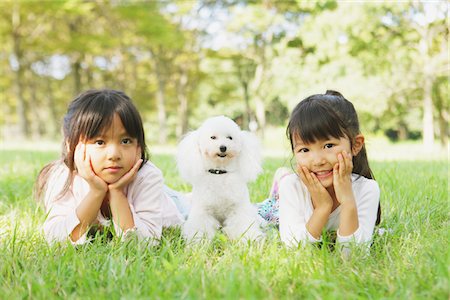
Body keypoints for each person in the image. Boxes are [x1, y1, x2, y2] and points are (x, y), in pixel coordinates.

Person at [35, 89, 188, 245]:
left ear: (139, 147)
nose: (114, 154)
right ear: (71, 146)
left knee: (195, 204)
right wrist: (96, 192)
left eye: (126, 141)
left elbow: (147, 243)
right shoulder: (63, 176)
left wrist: (117, 193)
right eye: (100, 142)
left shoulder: (147, 176)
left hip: (171, 203)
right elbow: (55, 239)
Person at [258, 90, 380, 249]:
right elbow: (294, 248)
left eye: (328, 146)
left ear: (356, 145)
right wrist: (323, 208)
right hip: (279, 208)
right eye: (304, 150)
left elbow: (354, 256)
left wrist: (348, 201)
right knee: (267, 216)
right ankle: (277, 190)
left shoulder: (366, 188)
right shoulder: (292, 187)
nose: (317, 161)